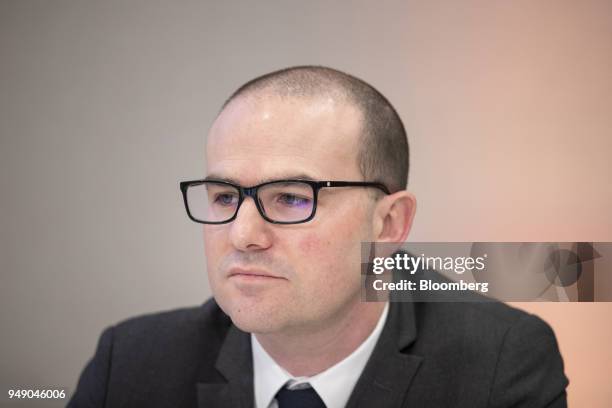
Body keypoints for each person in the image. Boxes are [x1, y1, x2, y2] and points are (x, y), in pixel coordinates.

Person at [68, 66, 568, 408]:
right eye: (223, 197)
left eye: (290, 198)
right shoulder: (131, 364)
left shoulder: (500, 361)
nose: (242, 235)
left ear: (389, 225)